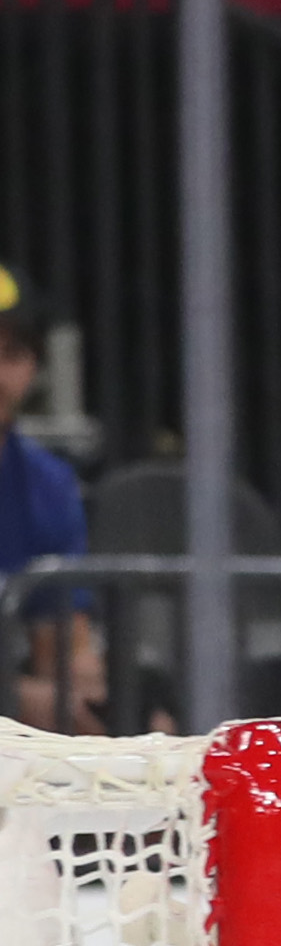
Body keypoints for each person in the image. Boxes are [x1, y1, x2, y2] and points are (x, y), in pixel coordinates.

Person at [0, 262, 101, 733]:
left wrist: (92, 692)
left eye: (12, 353)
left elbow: (61, 644)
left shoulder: (48, 484)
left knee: (146, 724)